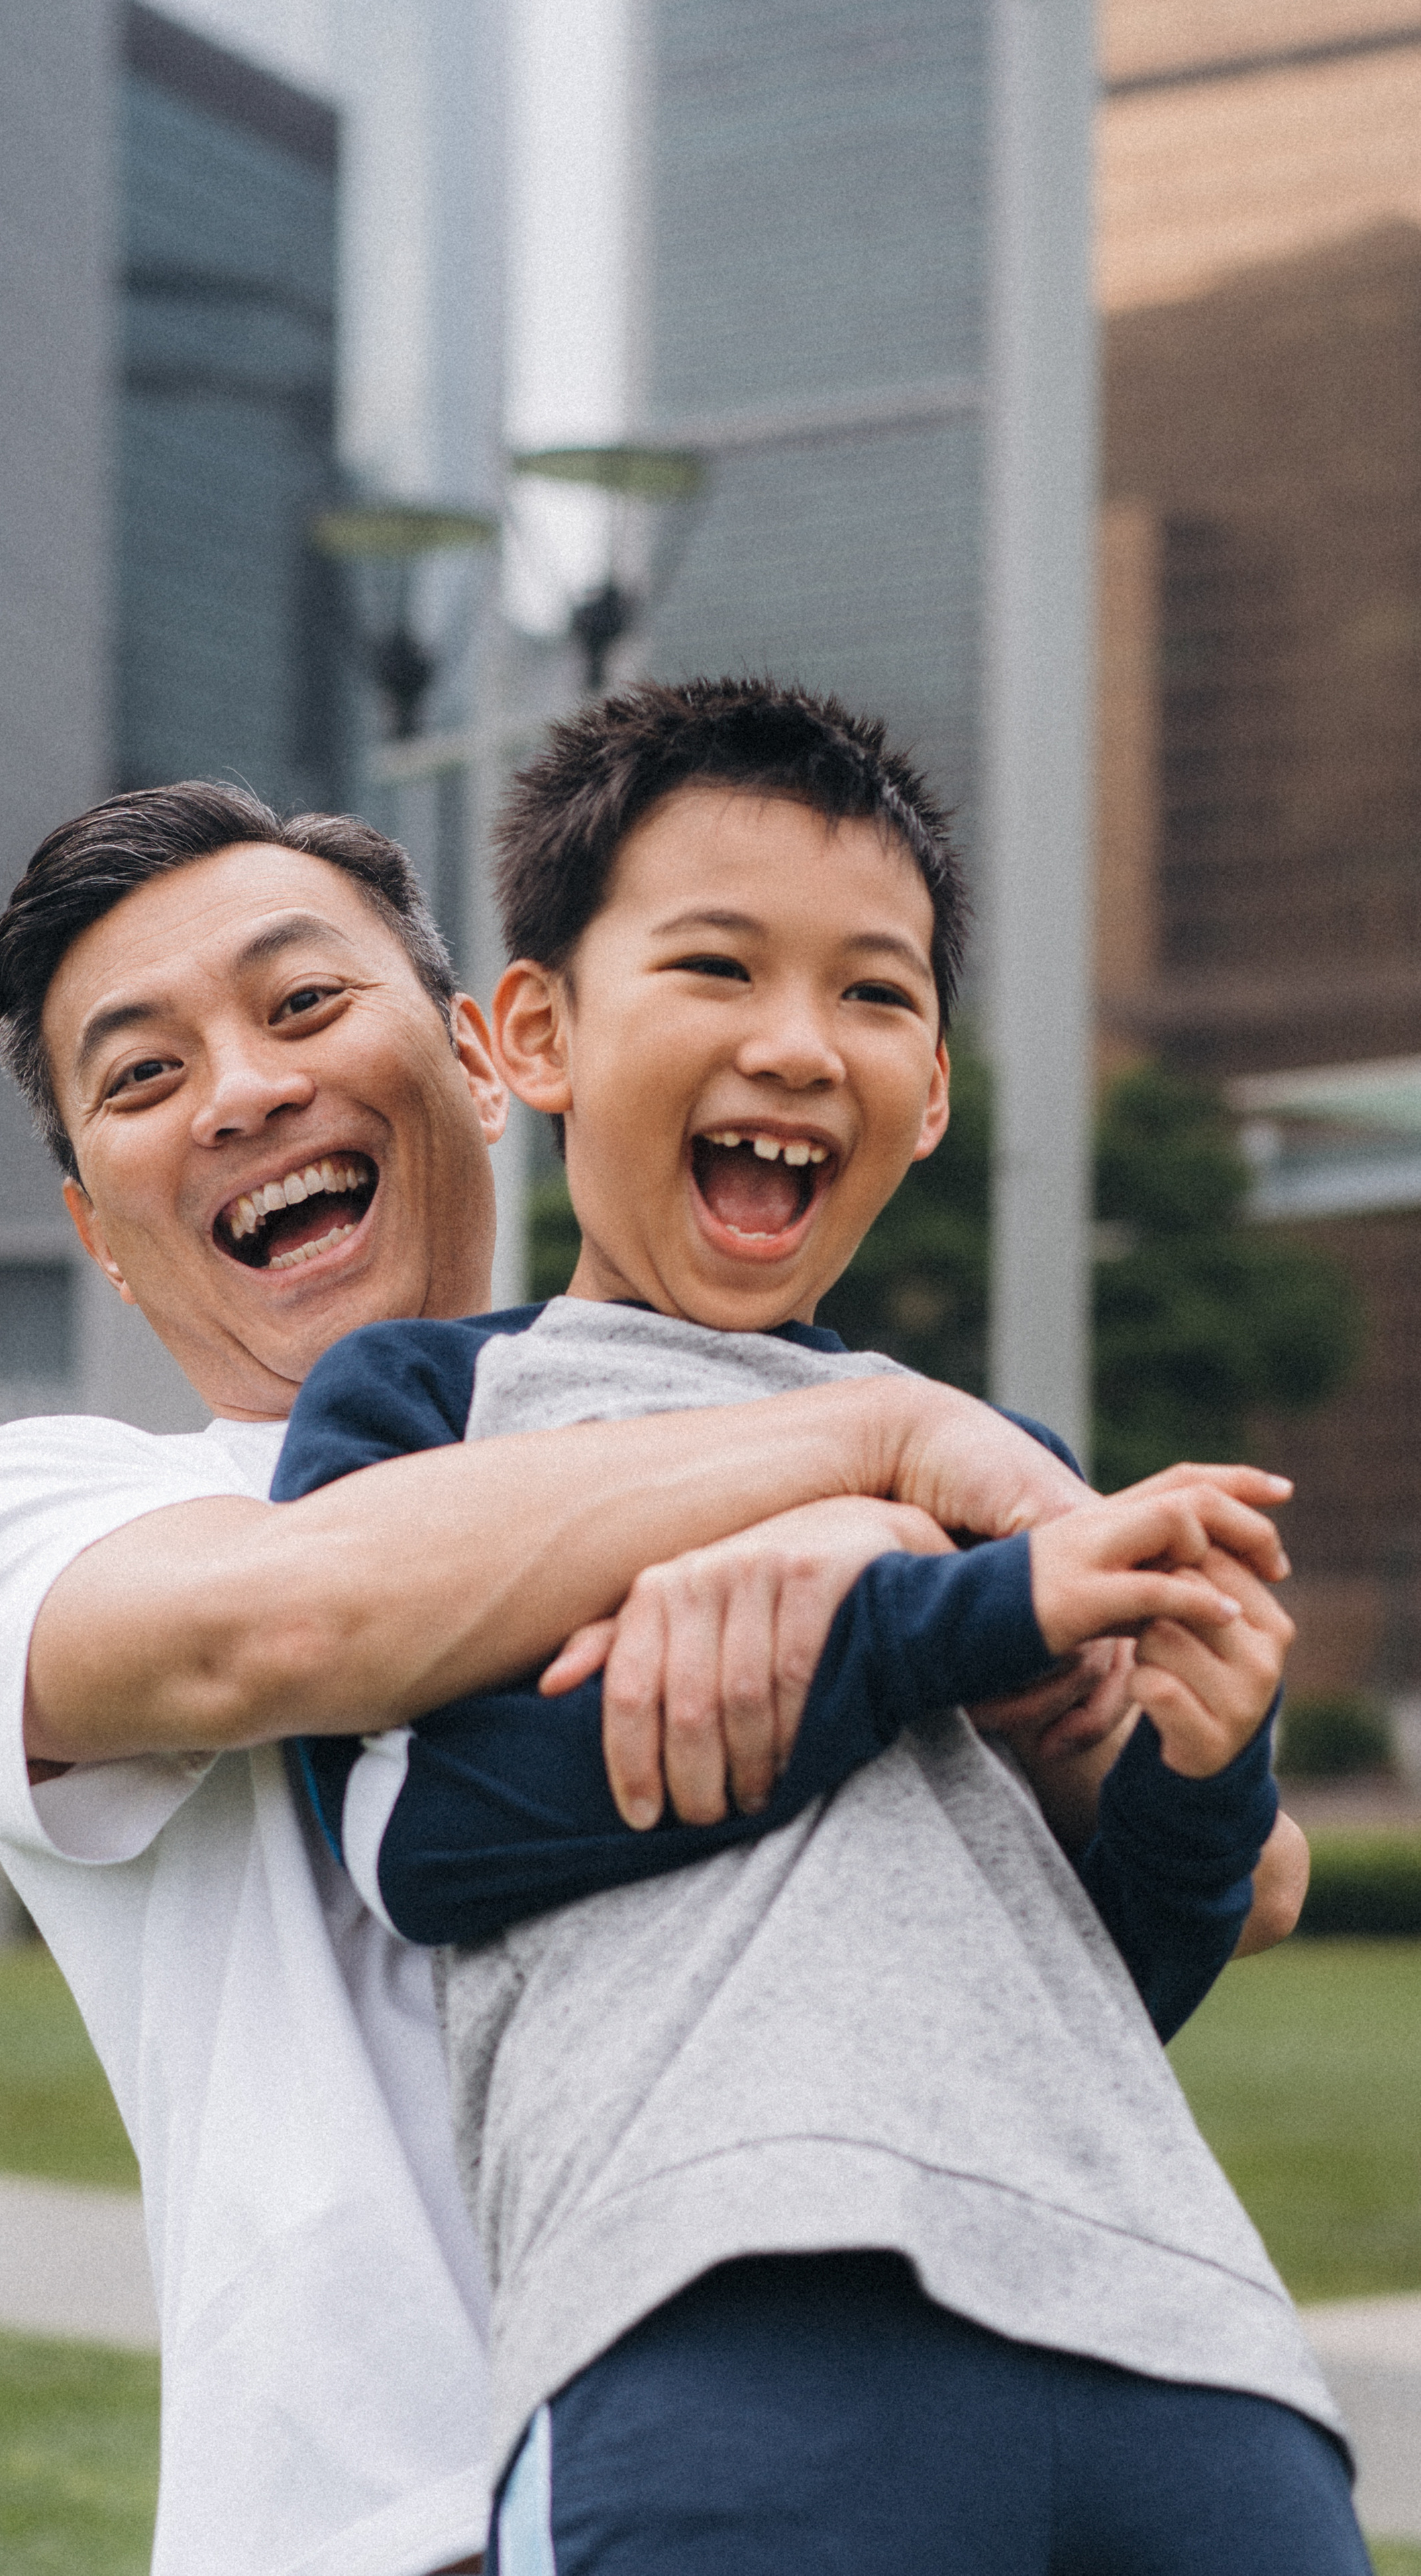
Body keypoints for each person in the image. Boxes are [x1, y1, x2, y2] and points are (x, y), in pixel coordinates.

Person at [0, 779, 1306, 2576]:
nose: (243, 1092)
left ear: (491, 1062)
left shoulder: (813, 1428)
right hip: (393, 2533)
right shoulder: (35, 1509)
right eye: (144, 1075)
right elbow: (289, 1624)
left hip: (877, 2422)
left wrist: (1110, 1690)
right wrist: (870, 1465)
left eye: (304, 1003)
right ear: (98, 1226)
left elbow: (1230, 1872)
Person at [270, 678, 1363, 2576]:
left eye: (873, 993)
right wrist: (947, 1619)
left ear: (931, 1090)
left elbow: (1098, 1972)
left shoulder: (994, 1464)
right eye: (717, 966)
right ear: (535, 1030)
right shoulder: (428, 1408)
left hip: (1181, 2335)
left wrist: (1202, 1764)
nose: (796, 1046)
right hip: (722, 2302)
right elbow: (428, 1836)